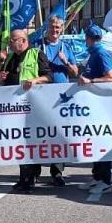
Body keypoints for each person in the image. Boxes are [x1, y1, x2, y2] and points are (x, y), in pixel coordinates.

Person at [0, 29, 52, 193]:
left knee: (29, 143)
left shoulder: (36, 54)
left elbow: (48, 77)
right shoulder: (11, 58)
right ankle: (24, 178)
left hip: (32, 107)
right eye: (10, 41)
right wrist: (1, 77)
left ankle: (29, 178)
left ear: (23, 40)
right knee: (20, 143)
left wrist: (35, 80)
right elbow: (4, 81)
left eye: (13, 40)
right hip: (14, 108)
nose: (11, 44)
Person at [37, 15, 79, 186]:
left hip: (61, 97)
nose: (55, 30)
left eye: (58, 28)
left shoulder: (66, 47)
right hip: (41, 94)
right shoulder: (39, 46)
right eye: (52, 26)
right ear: (47, 27)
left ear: (62, 29)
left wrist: (66, 62)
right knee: (39, 132)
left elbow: (75, 72)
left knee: (59, 134)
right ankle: (34, 171)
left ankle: (57, 172)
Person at [77, 24, 112, 193]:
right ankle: (97, 177)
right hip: (91, 106)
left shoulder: (101, 53)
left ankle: (105, 181)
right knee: (93, 143)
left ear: (89, 39)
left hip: (100, 106)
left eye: (86, 38)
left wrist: (91, 82)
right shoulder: (93, 53)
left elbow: (111, 79)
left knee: (101, 143)